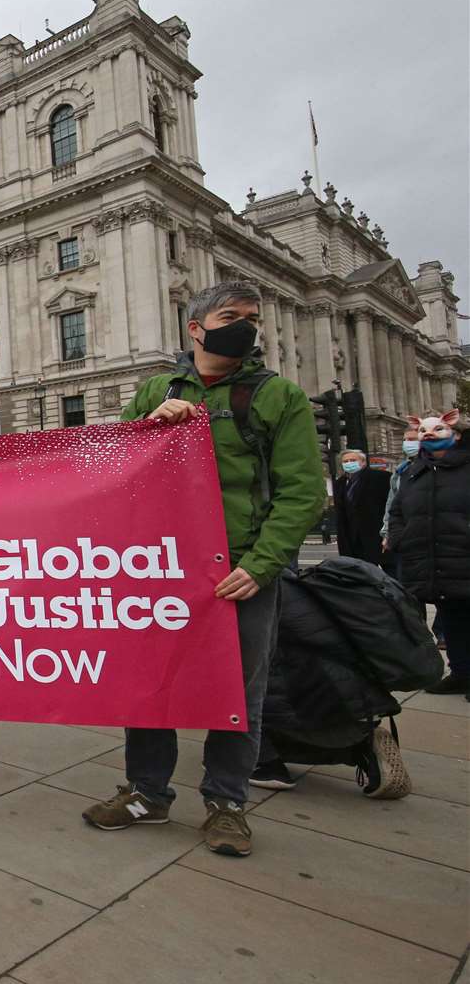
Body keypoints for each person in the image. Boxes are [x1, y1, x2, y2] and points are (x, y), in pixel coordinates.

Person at [81, 281, 323, 856]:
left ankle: (227, 803)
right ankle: (147, 792)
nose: (245, 325)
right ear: (196, 328)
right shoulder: (155, 390)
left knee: (239, 690)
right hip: (159, 570)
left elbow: (303, 493)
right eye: (230, 315)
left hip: (238, 572)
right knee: (149, 685)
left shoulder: (278, 396)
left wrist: (263, 565)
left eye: (251, 317)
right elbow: (112, 465)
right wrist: (148, 426)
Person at [388, 410, 470, 697]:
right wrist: (401, 538)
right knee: (451, 618)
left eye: (437, 430)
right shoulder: (413, 471)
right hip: (430, 557)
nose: (428, 436)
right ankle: (461, 672)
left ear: (455, 434)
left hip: (462, 553)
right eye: (423, 431)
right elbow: (397, 510)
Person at [332, 449, 390, 566]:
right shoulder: (339, 483)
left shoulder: (381, 478)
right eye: (345, 461)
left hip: (375, 536)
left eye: (352, 460)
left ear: (363, 462)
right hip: (350, 538)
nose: (349, 463)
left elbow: (391, 506)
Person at [380, 425, 420, 578]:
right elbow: (391, 504)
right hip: (405, 534)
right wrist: (387, 533)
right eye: (404, 440)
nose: (407, 443)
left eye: (412, 439)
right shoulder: (400, 471)